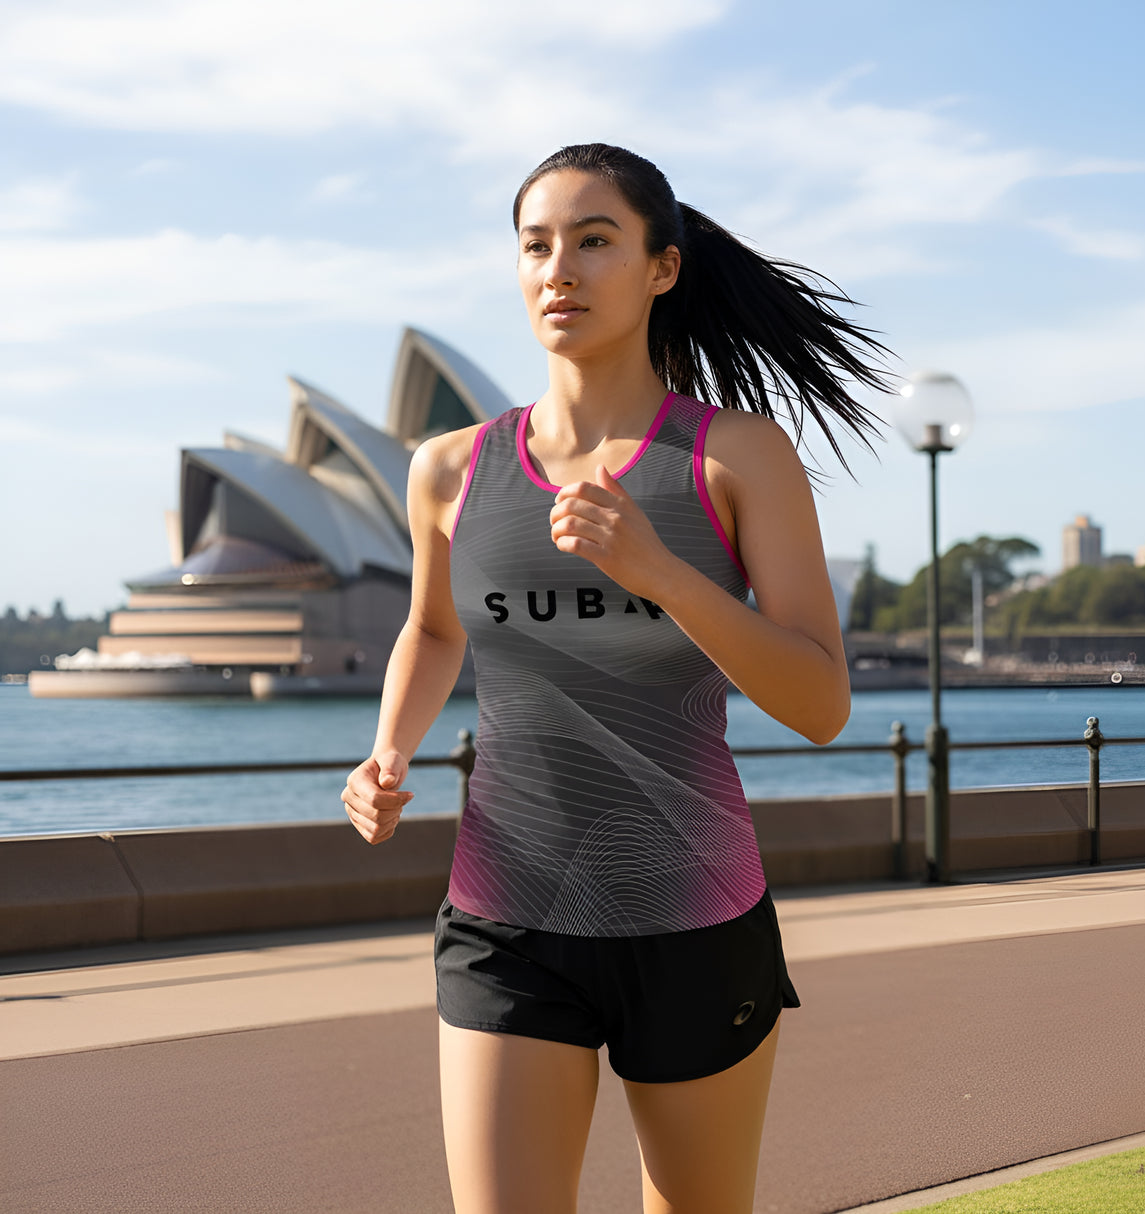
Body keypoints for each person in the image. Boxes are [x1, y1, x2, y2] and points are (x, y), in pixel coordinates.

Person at [342, 143, 888, 1214]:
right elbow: (430, 626)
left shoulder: (736, 459)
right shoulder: (448, 467)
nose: (560, 269)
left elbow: (820, 704)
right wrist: (387, 747)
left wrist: (659, 572)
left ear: (661, 268)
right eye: (537, 244)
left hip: (690, 914)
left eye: (595, 241)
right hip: (505, 911)